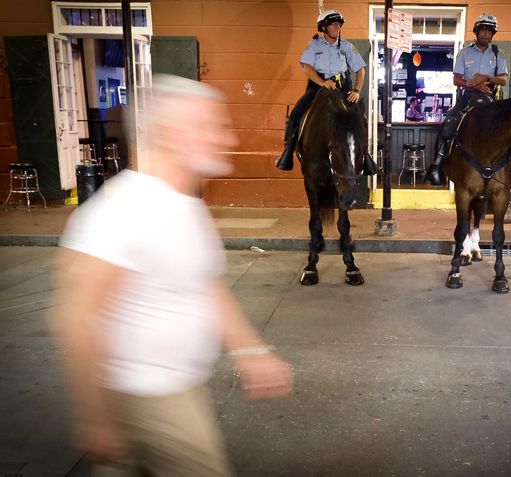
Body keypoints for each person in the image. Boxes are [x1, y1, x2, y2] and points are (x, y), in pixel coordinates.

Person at [50, 74, 293, 476]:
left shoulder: (183, 205)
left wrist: (250, 351)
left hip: (176, 390)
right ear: (167, 133)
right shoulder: (121, 211)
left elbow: (202, 285)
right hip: (145, 397)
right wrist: (95, 418)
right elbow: (75, 320)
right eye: (209, 127)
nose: (227, 139)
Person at [426, 13, 511, 187]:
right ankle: (437, 167)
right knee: (447, 125)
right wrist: (473, 85)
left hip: (490, 99)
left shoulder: (498, 54)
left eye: (489, 31)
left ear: (493, 34)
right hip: (468, 97)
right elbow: (456, 80)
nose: (486, 34)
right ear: (477, 31)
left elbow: (502, 79)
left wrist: (485, 78)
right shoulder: (464, 52)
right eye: (483, 30)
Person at [276, 9, 376, 174]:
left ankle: (365, 156)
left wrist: (357, 91)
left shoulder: (347, 47)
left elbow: (361, 70)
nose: (338, 27)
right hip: (318, 86)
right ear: (324, 27)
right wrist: (322, 82)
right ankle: (287, 152)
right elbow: (307, 67)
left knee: (360, 117)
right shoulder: (313, 45)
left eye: (339, 24)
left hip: (342, 87)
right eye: (333, 24)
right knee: (295, 114)